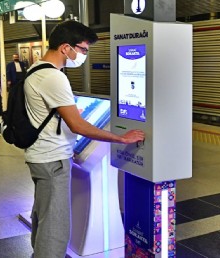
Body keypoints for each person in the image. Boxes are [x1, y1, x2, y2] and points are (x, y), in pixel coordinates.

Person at [23, 20, 145, 258]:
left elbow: (49, 113)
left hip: (40, 157)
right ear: (66, 47)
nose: (84, 55)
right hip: (53, 160)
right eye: (83, 49)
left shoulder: (36, 69)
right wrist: (120, 138)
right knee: (55, 229)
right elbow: (77, 126)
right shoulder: (54, 77)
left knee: (43, 216)